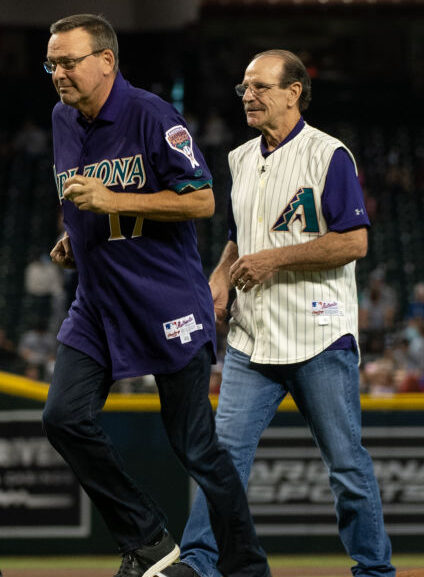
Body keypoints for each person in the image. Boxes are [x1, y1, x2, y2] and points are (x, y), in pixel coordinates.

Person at [42, 14, 269, 577]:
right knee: (63, 418)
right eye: (52, 63)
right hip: (97, 304)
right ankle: (147, 541)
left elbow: (201, 202)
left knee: (195, 449)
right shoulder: (61, 119)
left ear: (106, 60)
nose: (59, 73)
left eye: (69, 61)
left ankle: (246, 567)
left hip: (165, 303)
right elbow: (87, 197)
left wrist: (113, 201)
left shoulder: (150, 114)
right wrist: (78, 234)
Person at [166, 50, 395, 577]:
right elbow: (237, 239)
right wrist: (218, 282)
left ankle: (374, 570)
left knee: (346, 467)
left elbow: (354, 241)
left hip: (317, 333)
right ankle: (199, 561)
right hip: (252, 339)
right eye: (244, 87)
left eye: (261, 86)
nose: (248, 95)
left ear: (294, 92)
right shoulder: (240, 158)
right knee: (220, 459)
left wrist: (274, 258)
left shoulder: (328, 154)